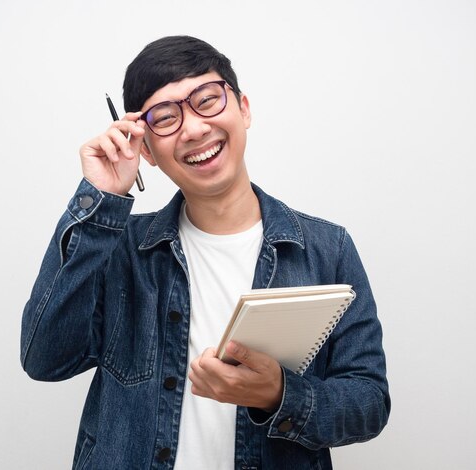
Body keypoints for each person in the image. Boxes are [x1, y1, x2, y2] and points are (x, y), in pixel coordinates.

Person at [21, 35, 390, 469]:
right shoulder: (120, 249)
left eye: (208, 100)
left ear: (244, 108)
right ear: (147, 149)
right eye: (165, 117)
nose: (194, 128)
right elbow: (45, 359)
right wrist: (100, 200)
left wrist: (278, 394)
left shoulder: (328, 249)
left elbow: (368, 403)